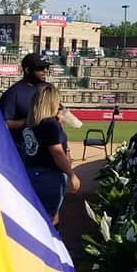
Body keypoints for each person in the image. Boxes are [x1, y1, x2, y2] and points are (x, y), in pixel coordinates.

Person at [22, 85, 80, 223]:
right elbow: (57, 153)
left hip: (31, 173)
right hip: (49, 176)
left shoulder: (30, 123)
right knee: (49, 220)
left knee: (38, 218)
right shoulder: (50, 124)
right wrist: (72, 175)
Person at [0, 53, 50, 146]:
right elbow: (3, 124)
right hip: (24, 149)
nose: (45, 71)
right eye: (41, 68)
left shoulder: (49, 89)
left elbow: (60, 115)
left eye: (47, 67)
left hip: (48, 148)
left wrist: (66, 148)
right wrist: (28, 122)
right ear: (27, 70)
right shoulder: (13, 93)